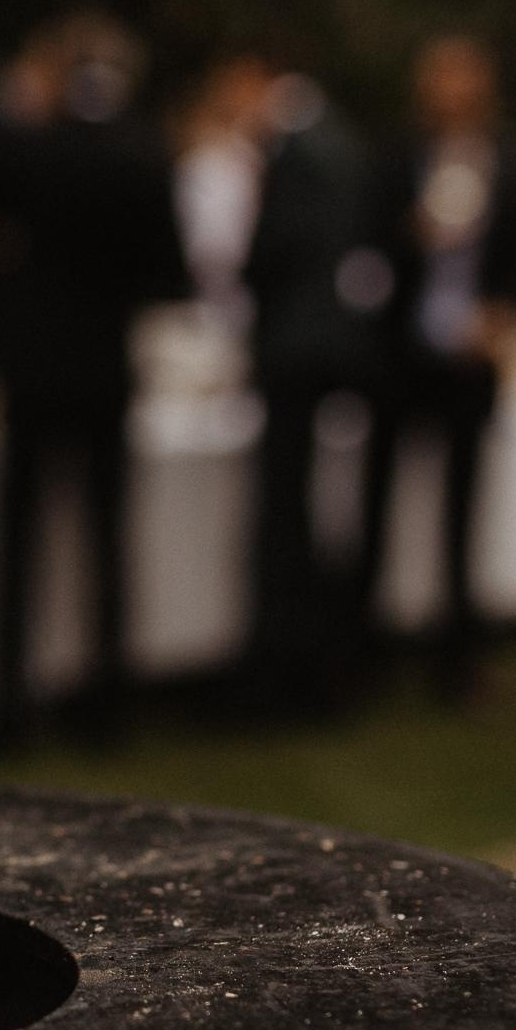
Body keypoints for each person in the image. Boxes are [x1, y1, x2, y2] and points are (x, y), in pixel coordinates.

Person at [0, 14, 186, 745]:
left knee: (17, 538)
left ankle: (5, 700)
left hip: (29, 366)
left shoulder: (24, 148)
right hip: (104, 366)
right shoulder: (145, 155)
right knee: (104, 537)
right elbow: (168, 270)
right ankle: (106, 701)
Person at [173, 52, 375, 706]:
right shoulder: (336, 140)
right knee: (302, 501)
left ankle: (283, 661)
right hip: (326, 345)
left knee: (283, 508)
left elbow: (272, 251)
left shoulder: (296, 151)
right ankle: (312, 655)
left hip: (292, 347)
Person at [358, 34, 516, 698]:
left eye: (464, 78)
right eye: (441, 77)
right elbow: (363, 247)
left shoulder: (512, 161)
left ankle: (456, 657)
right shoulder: (395, 155)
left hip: (471, 355)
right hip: (400, 354)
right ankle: (362, 652)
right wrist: (411, 236)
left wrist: (502, 314)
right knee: (375, 500)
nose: (452, 90)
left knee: (463, 507)